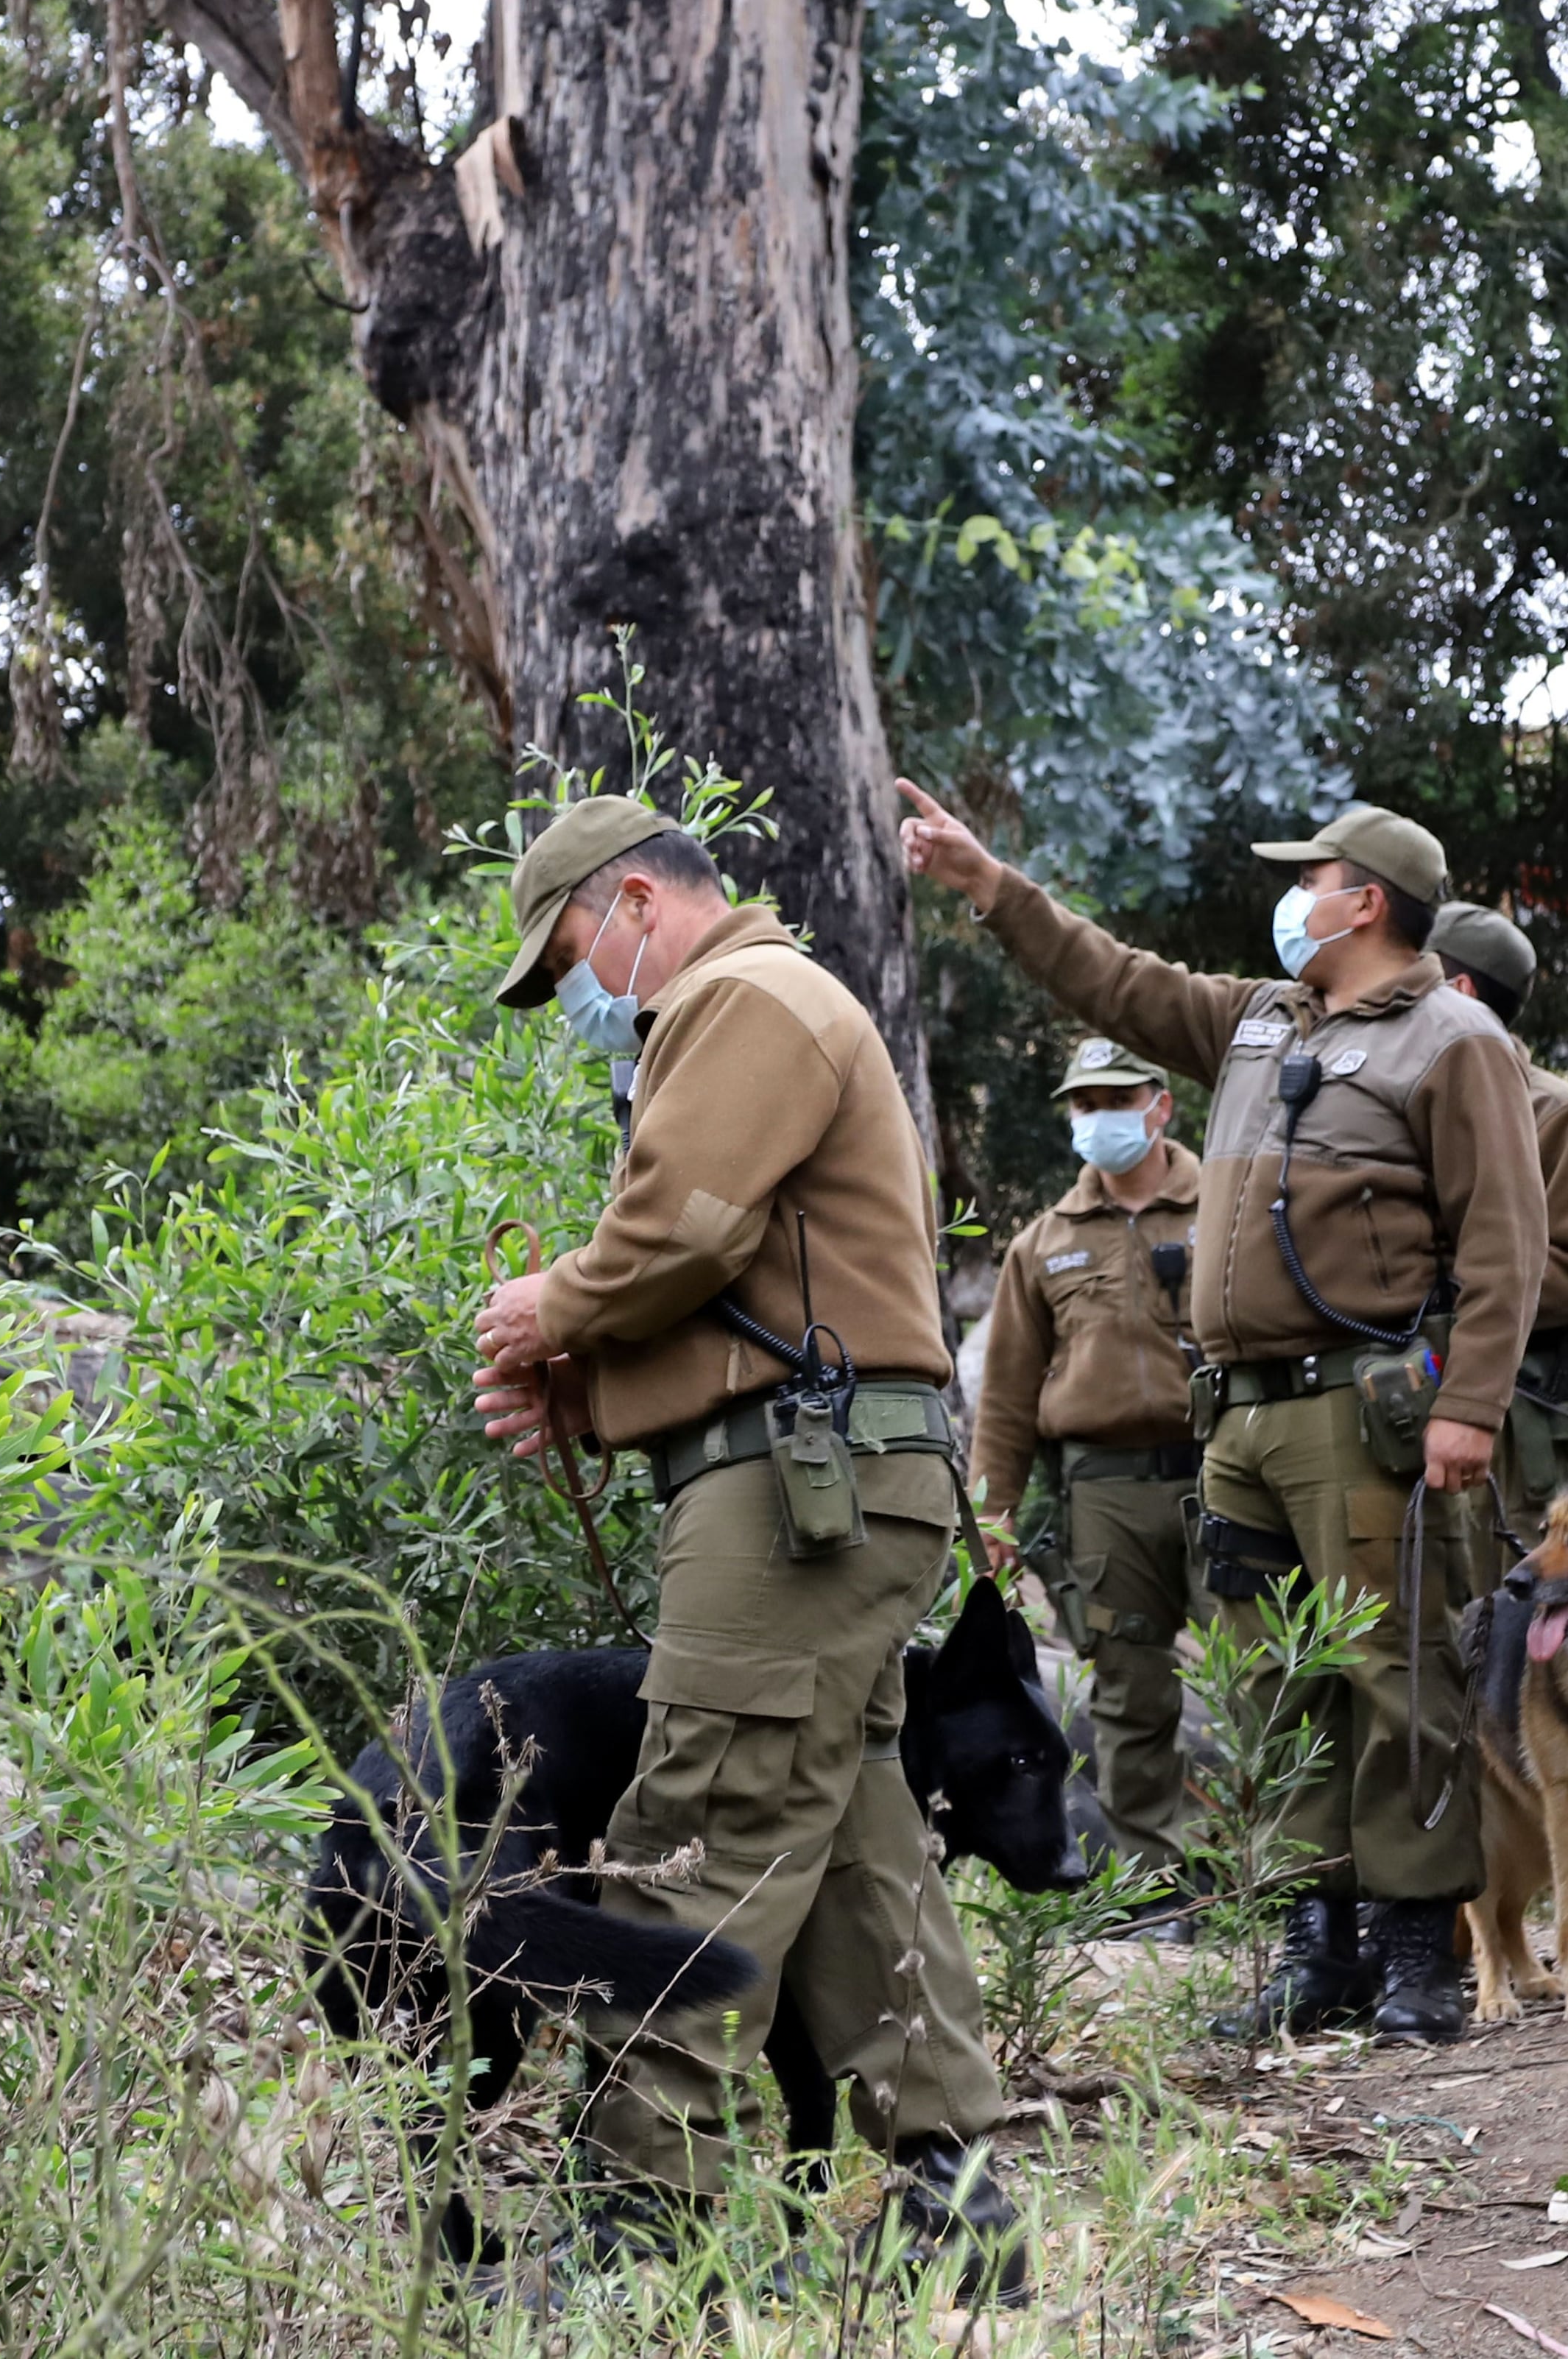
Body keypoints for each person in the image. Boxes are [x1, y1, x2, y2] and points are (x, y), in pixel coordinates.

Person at [469, 793, 1025, 2299]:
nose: (571, 994)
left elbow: (688, 1231)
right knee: (857, 1853)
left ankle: (649, 2230)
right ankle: (958, 2196)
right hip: (818, 1480)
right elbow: (757, 1287)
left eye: (569, 952)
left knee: (691, 1833)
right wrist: (587, 1393)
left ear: (637, 899)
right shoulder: (750, 1007)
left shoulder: (743, 996)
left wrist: (552, 1308)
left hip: (800, 1493)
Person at [895, 783, 1544, 2044]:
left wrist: (1470, 1405)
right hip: (1237, 1422)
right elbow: (1118, 982)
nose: (1294, 897)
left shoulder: (1452, 1044)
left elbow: (1507, 1243)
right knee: (1267, 1686)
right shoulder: (1259, 1023)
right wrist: (992, 888)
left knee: (1394, 1675)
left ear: (1365, 900)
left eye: (1312, 879)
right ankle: (1317, 1940)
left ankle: (1418, 1949)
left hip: (1366, 1412)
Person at [1424, 898, 1568, 1979]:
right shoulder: (1409, 1097)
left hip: (1532, 1430)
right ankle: (1454, 1910)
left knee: (1564, 1652)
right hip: (1430, 1419)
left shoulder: (1558, 1112)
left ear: (1457, 990)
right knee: (1445, 1652)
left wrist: (1454, 1288)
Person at [970, 1039, 1203, 1928]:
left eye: (1116, 1097)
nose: (1096, 1117)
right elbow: (1005, 1399)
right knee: (1128, 1692)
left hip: (1223, 1472)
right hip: (1102, 1491)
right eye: (1081, 1103)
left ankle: (1287, 1885)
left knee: (1270, 1668)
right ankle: (1155, 1886)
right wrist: (990, 1514)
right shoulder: (1043, 1243)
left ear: (1159, 1103)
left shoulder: (1223, 1205)